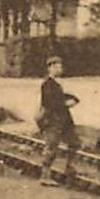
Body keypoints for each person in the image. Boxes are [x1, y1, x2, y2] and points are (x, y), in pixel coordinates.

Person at [37, 55, 80, 185]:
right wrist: (66, 103)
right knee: (51, 147)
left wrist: (74, 98)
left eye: (60, 66)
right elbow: (49, 103)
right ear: (50, 68)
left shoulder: (56, 84)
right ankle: (45, 176)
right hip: (53, 121)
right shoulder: (47, 85)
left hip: (64, 120)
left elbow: (61, 97)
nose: (59, 69)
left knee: (75, 143)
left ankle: (69, 168)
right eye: (56, 66)